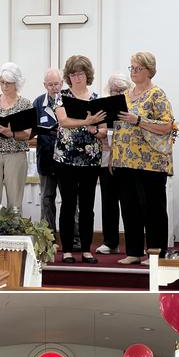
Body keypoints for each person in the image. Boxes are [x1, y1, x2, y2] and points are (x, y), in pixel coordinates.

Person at [112, 51, 175, 265]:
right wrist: (114, 156)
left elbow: (167, 125)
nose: (133, 72)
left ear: (149, 71)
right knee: (129, 206)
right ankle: (134, 251)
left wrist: (138, 120)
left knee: (153, 207)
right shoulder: (126, 95)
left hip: (151, 162)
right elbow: (119, 126)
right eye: (132, 67)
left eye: (138, 68)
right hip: (125, 160)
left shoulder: (157, 94)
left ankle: (156, 251)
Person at [53, 55, 107, 264]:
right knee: (67, 204)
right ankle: (67, 250)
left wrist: (96, 130)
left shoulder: (96, 99)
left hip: (90, 159)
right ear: (68, 76)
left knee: (87, 205)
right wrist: (87, 121)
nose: (77, 77)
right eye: (73, 74)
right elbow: (64, 121)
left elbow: (103, 131)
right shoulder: (62, 96)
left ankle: (86, 249)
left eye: (81, 73)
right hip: (65, 158)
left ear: (88, 75)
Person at [0, 62, 34, 213]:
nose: (4, 86)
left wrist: (12, 134)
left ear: (17, 83)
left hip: (15, 154)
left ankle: (14, 233)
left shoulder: (25, 104)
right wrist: (1, 133)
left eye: (8, 83)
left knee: (15, 201)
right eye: (2, 82)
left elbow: (29, 133)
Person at [95, 73, 133, 256]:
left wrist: (108, 135)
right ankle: (111, 242)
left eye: (120, 90)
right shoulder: (105, 106)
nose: (116, 93)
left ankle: (134, 244)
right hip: (106, 159)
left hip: (126, 160)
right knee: (108, 202)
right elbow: (102, 131)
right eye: (113, 90)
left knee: (129, 202)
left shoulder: (132, 106)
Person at [33, 68, 64, 232]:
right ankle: (48, 236)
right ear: (45, 85)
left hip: (66, 159)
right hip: (45, 157)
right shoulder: (38, 103)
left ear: (62, 83)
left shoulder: (68, 100)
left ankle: (73, 238)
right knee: (46, 198)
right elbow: (32, 128)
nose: (54, 88)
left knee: (70, 200)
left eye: (57, 84)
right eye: (50, 85)